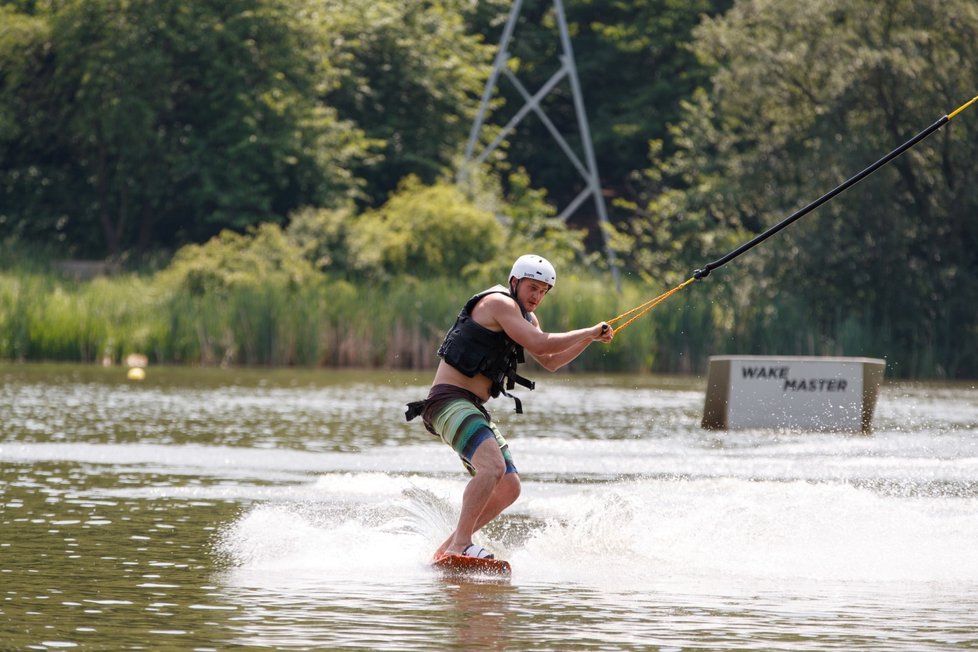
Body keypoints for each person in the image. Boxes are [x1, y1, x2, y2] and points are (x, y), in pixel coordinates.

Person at [406, 254, 614, 561]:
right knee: (492, 467)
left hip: (471, 407)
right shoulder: (497, 304)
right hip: (449, 401)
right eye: (532, 287)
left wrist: (590, 340)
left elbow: (551, 361)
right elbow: (542, 344)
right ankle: (461, 544)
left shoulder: (528, 319)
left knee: (509, 487)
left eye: (543, 291)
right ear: (514, 282)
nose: (536, 297)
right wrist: (588, 330)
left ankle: (447, 550)